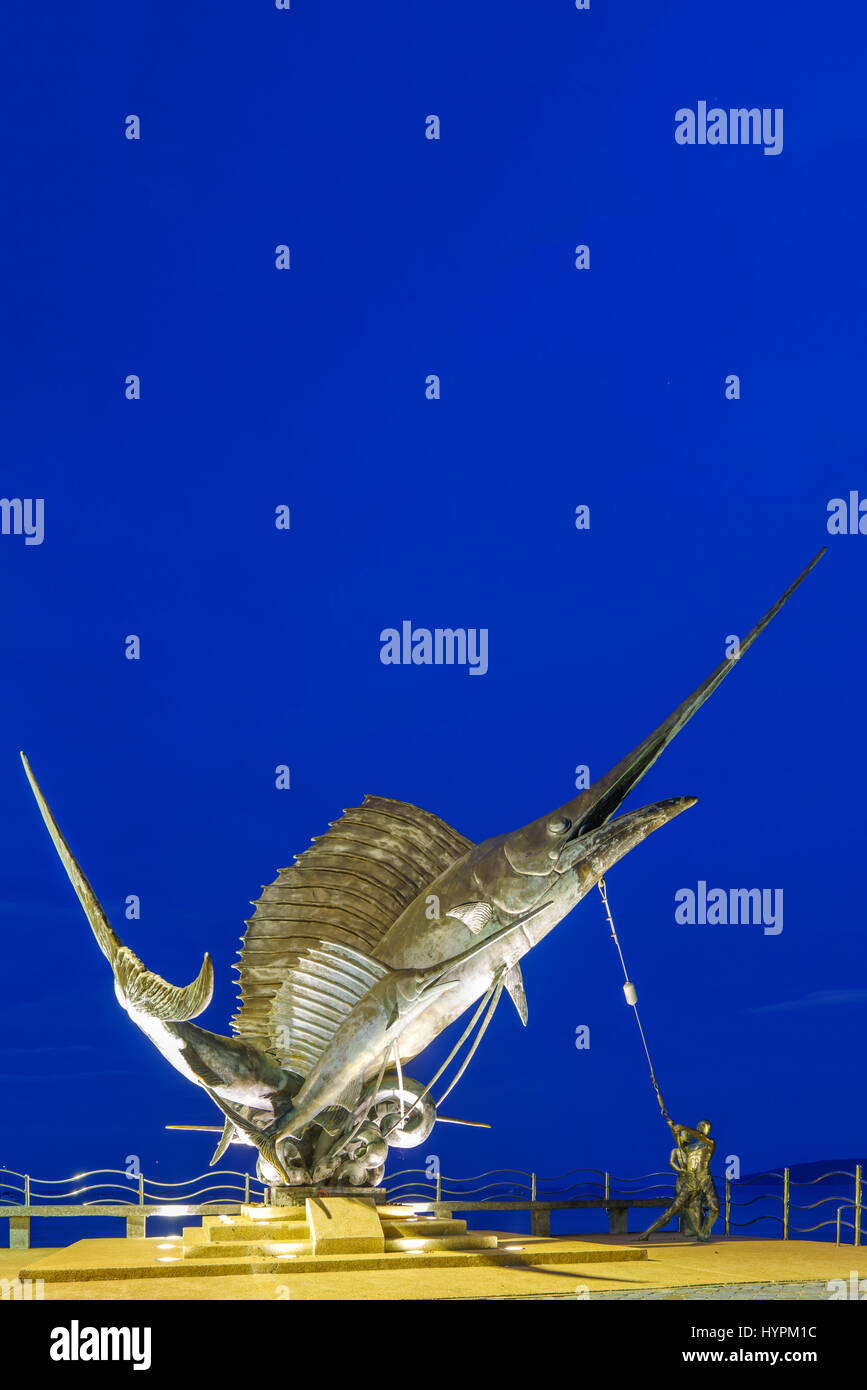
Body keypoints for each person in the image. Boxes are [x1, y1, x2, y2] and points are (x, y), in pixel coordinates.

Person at [637, 1119, 719, 1241]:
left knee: (715, 1207)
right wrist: (673, 1128)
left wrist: (683, 1127)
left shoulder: (710, 1143)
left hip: (705, 1177)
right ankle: (647, 1233)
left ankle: (703, 1232)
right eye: (701, 1125)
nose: (703, 1128)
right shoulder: (690, 1147)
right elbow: (679, 1143)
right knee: (672, 1209)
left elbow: (700, 1136)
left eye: (706, 1126)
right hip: (691, 1179)